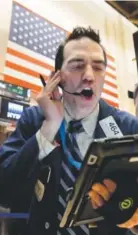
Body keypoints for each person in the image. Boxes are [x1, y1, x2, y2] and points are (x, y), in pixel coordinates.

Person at [0, 26, 138, 235]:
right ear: (57, 77)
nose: (89, 76)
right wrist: (49, 127)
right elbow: (5, 191)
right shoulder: (34, 120)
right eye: (77, 66)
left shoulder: (128, 126)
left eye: (98, 68)